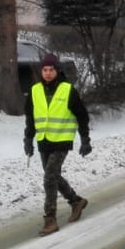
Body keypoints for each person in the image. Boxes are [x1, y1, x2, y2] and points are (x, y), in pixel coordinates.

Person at [24, 53, 91, 236]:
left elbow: (82, 116)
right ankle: (75, 201)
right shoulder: (35, 90)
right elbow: (30, 118)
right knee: (52, 176)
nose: (47, 73)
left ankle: (50, 219)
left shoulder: (68, 90)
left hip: (62, 140)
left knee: (49, 178)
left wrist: (85, 140)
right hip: (44, 140)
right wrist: (28, 140)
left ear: (57, 70)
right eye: (44, 70)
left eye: (51, 70)